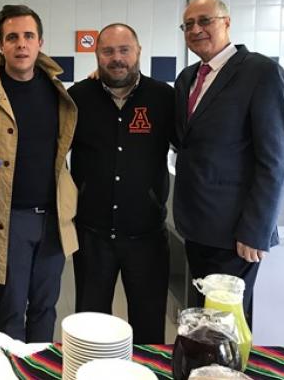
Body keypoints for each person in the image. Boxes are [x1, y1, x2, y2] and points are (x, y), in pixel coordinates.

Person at [174, 0, 284, 327]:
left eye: (205, 21)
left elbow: (276, 158)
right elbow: (183, 140)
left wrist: (256, 229)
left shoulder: (260, 72)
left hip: (235, 233)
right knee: (203, 321)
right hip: (196, 226)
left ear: (226, 22)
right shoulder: (188, 79)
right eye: (189, 25)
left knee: (227, 323)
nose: (196, 29)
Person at [0, 4, 78, 343]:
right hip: (9, 217)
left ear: (40, 41)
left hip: (54, 217)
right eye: (12, 37)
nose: (21, 44)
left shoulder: (57, 91)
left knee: (46, 305)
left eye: (28, 36)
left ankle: (41, 366)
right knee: (11, 307)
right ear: (1, 45)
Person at [68, 23, 175, 344]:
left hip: (147, 237)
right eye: (108, 51)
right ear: (96, 55)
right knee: (90, 328)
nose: (117, 58)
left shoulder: (163, 98)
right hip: (91, 236)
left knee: (149, 328)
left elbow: (194, 148)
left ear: (139, 52)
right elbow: (54, 155)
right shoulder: (78, 98)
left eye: (124, 50)